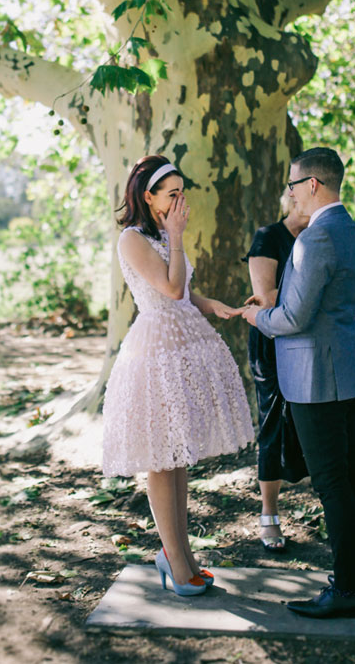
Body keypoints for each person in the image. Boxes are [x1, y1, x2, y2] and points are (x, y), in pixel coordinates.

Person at [241, 147, 355, 619]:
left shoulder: (315, 238)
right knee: (354, 473)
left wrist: (256, 317)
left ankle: (346, 591)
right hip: (345, 371)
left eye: (292, 185)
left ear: (312, 185)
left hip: (315, 379)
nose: (288, 194)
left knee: (331, 482)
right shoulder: (351, 230)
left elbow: (294, 318)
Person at [102, 155, 254, 598]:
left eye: (182, 192)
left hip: (184, 346)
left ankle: (181, 556)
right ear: (148, 197)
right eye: (172, 193)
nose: (180, 201)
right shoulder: (132, 239)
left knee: (178, 456)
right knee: (162, 458)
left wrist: (211, 304)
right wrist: (176, 235)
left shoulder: (161, 235)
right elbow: (167, 290)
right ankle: (173, 558)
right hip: (155, 354)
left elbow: (182, 292)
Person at [243, 198, 309, 551]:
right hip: (270, 344)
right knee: (272, 425)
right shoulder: (268, 237)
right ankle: (269, 514)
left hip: (308, 342)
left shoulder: (317, 238)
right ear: (292, 199)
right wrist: (313, 286)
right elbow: (265, 298)